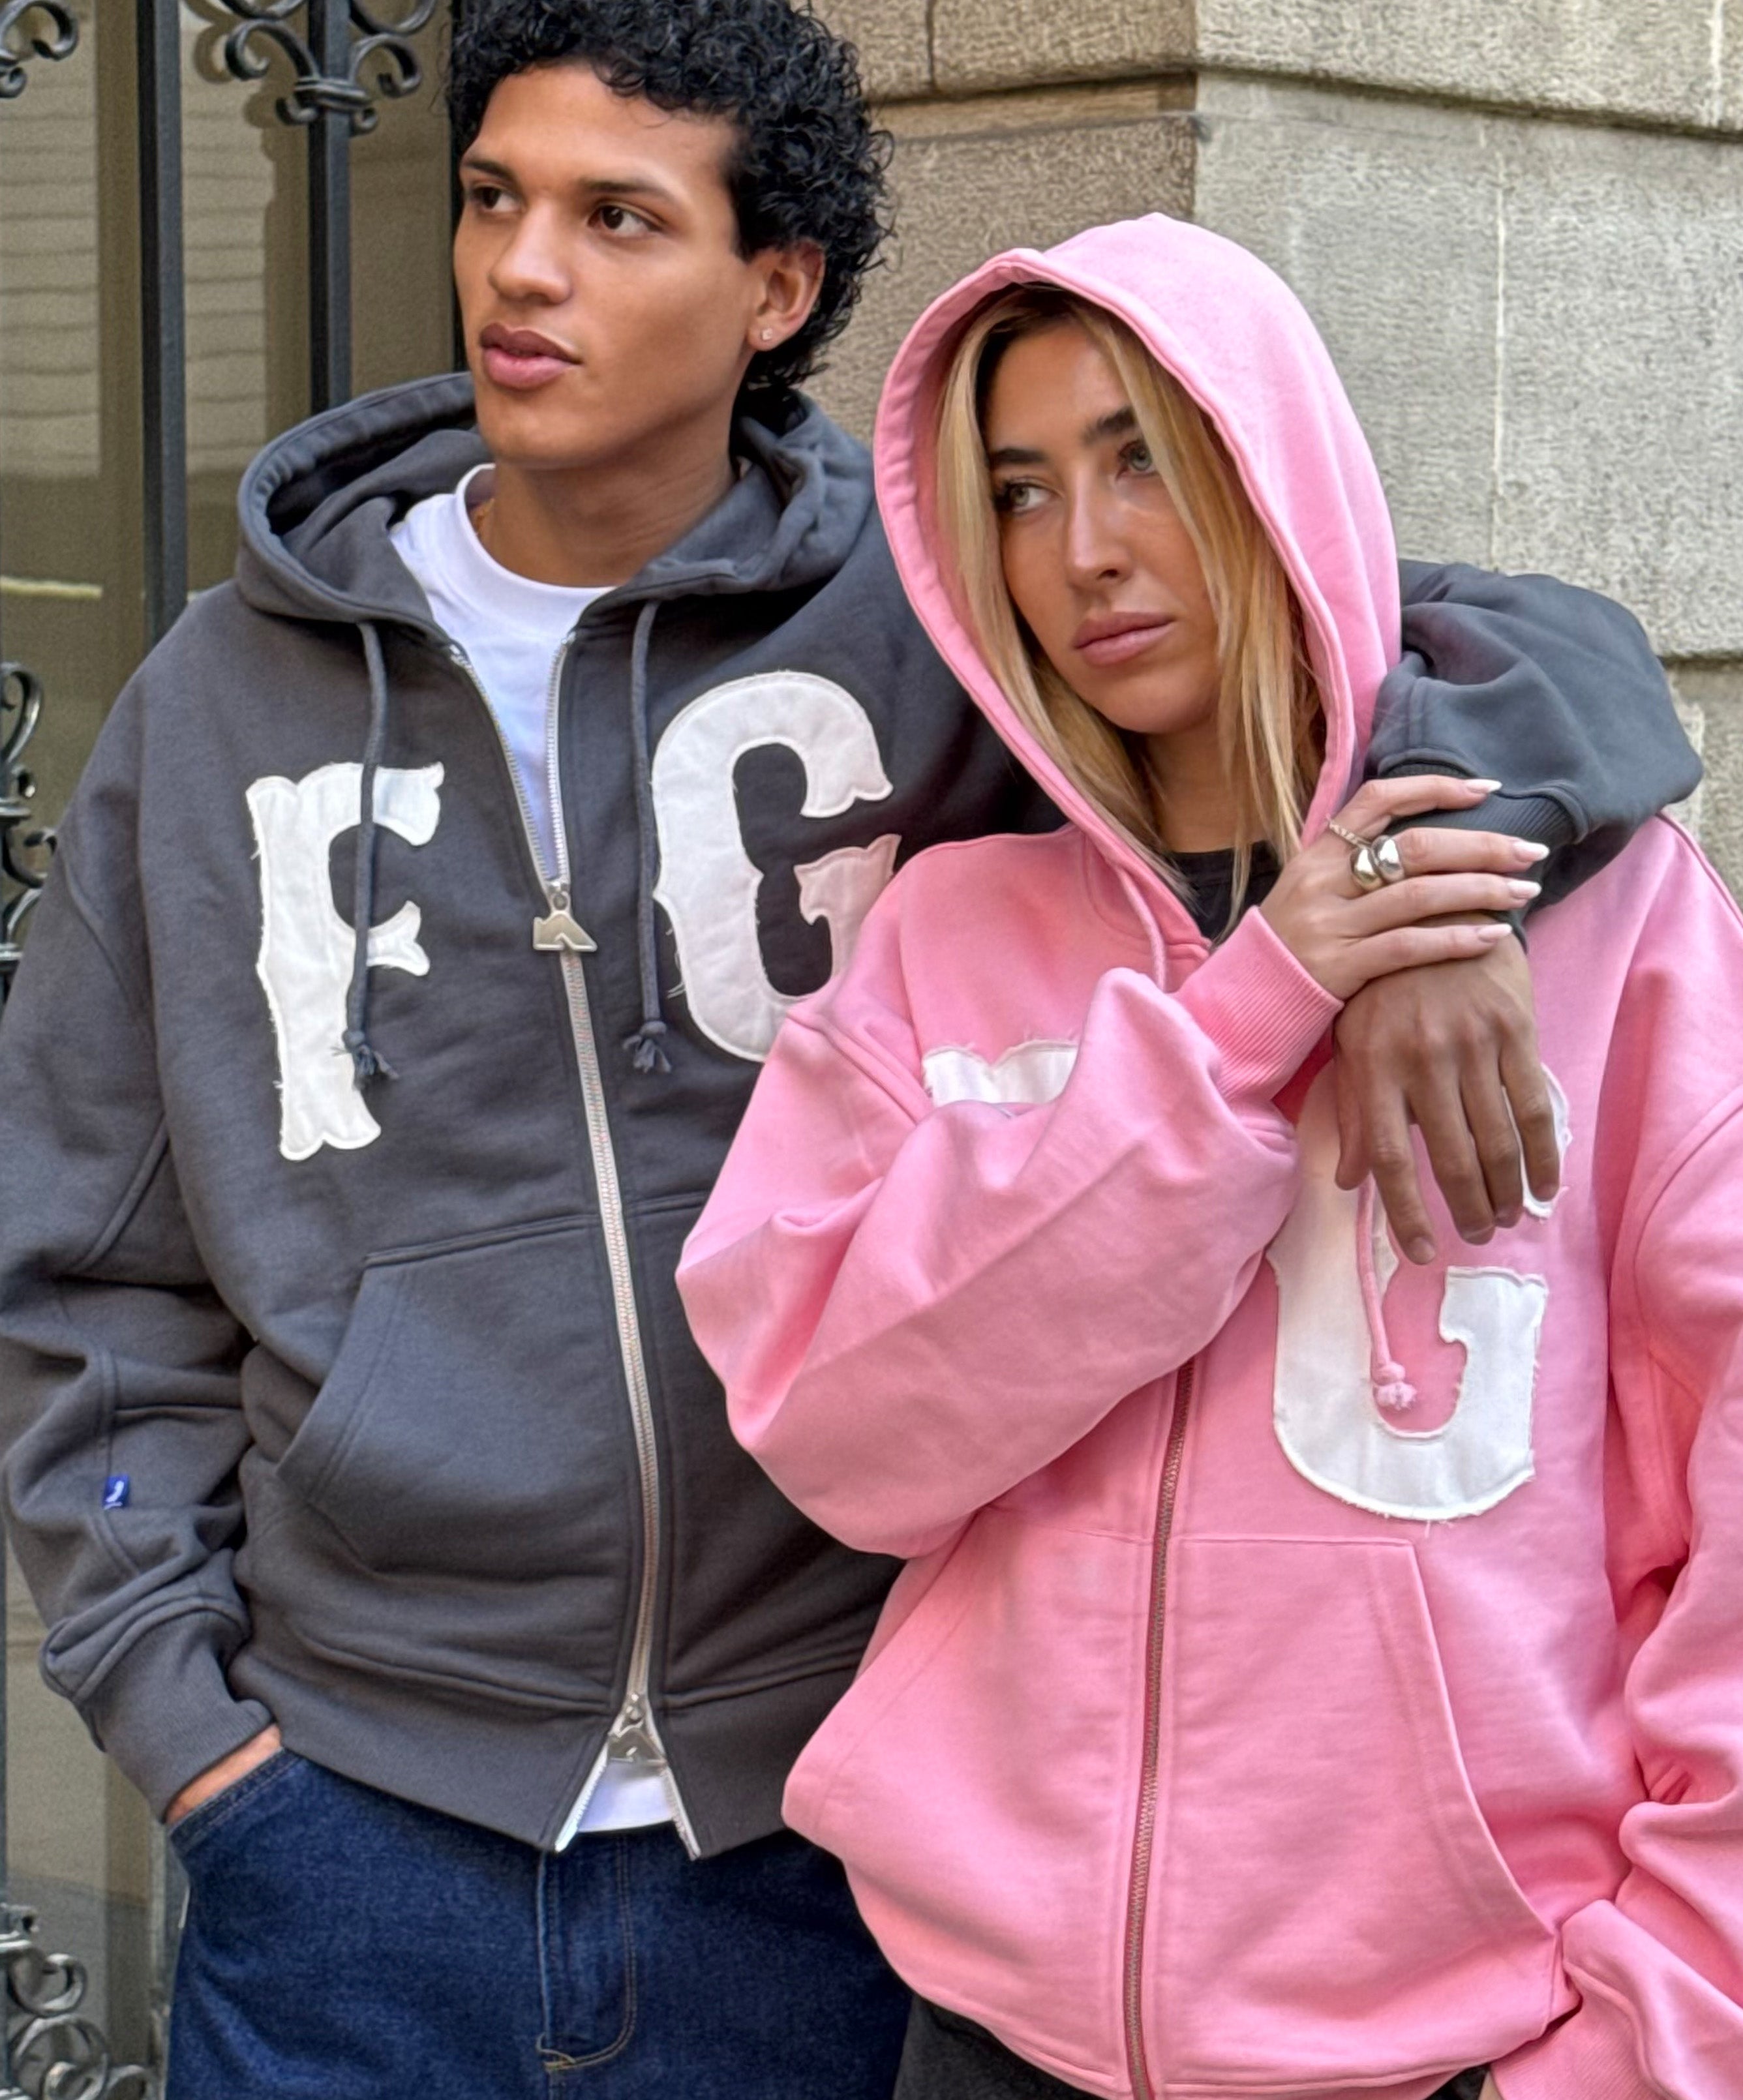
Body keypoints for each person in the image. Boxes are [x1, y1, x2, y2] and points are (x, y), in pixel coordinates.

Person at [0, 0, 1697, 2090]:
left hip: (813, 1838)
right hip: (351, 1820)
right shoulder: (220, 700)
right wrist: (187, 1729)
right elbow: (81, 1261)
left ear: (777, 288)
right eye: (494, 199)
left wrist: (1446, 868)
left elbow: (1452, 634)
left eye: (619, 216)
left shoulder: (948, 622)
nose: (522, 270)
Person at [678, 214, 1743, 2100]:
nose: (1082, 550)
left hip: (1469, 2046)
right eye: (1021, 490)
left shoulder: (1620, 929)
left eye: (1144, 461)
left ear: (1279, 474)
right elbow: (838, 1434)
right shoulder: (948, 938)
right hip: (992, 2038)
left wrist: (1655, 2043)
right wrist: (1255, 1019)